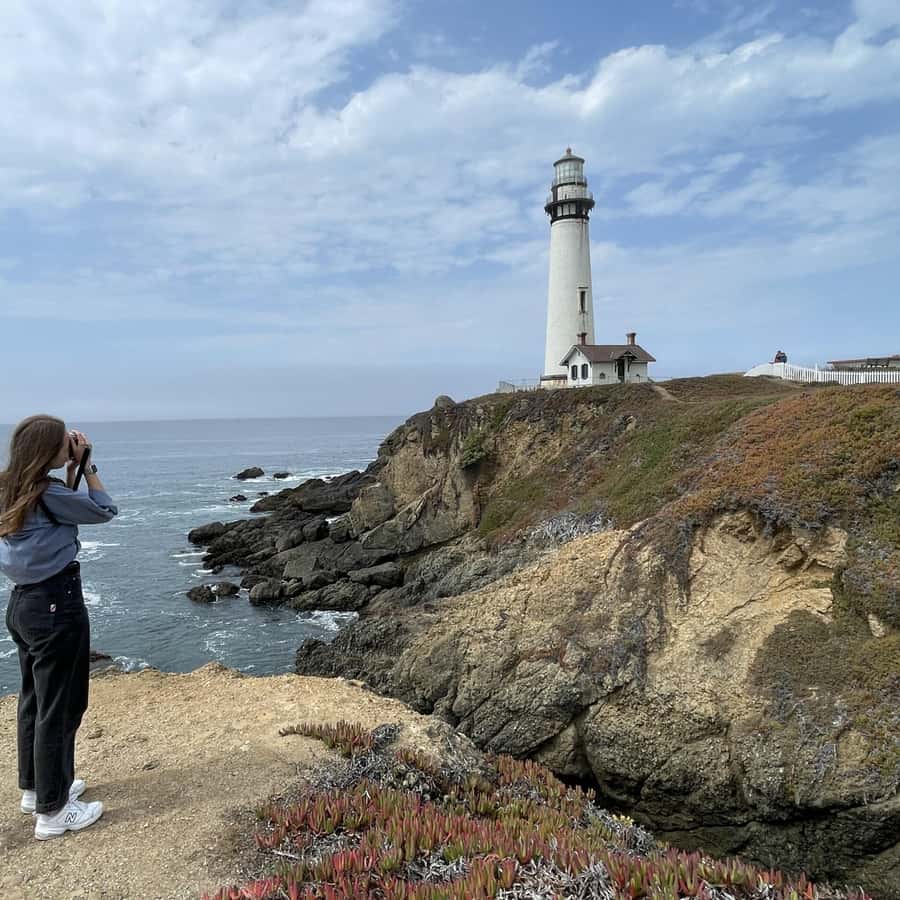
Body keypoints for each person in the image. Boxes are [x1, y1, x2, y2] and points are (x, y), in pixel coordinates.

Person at [1, 415, 118, 840]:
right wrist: (88, 467)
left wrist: (69, 473)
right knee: (61, 707)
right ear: (47, 450)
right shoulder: (47, 493)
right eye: (62, 441)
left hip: (24, 604)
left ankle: (37, 789)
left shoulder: (10, 488)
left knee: (35, 701)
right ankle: (53, 812)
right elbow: (104, 509)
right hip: (56, 604)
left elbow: (50, 517)